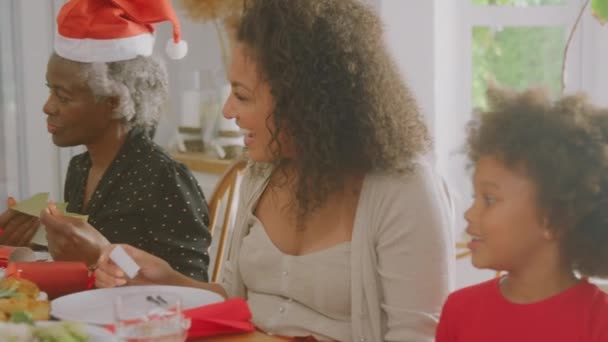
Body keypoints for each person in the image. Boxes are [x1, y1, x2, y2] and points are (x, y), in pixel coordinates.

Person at [95, 0, 454, 341]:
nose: (228, 111)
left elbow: (418, 336)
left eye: (243, 95)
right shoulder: (261, 173)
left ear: (304, 101)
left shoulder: (403, 188)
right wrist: (166, 280)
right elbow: (236, 302)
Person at [0, 0, 212, 281]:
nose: (47, 107)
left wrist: (100, 254)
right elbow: (83, 271)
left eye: (63, 97)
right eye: (50, 91)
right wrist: (37, 239)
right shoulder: (80, 169)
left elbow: (193, 290)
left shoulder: (164, 178)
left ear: (113, 103)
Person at [436, 86, 608, 342]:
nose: (469, 214)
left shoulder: (600, 322)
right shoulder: (459, 311)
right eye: (475, 197)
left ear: (552, 218)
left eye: (489, 199)